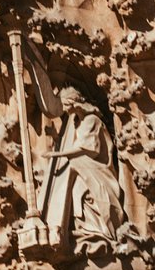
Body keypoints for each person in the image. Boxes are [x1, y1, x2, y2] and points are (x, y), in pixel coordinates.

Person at [40, 89, 123, 248]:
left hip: (97, 168)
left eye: (64, 105)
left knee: (77, 176)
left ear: (73, 103)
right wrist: (56, 137)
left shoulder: (92, 120)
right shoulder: (78, 121)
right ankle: (82, 228)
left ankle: (93, 230)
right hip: (85, 167)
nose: (63, 109)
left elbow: (89, 149)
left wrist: (57, 154)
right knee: (76, 188)